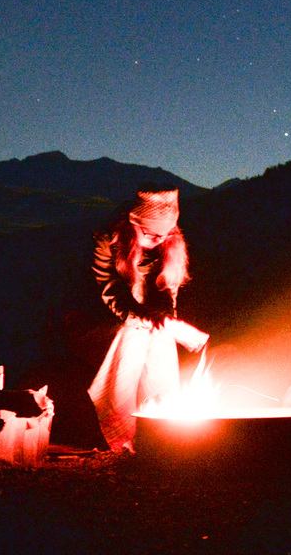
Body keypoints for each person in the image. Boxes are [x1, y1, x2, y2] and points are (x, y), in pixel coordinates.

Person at [87, 184, 208, 451]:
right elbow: (109, 290)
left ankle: (160, 426)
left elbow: (167, 290)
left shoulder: (168, 244)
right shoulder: (109, 241)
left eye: (164, 235)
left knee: (160, 342)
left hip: (148, 319)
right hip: (105, 321)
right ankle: (120, 432)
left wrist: (167, 321)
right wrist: (144, 320)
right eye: (150, 234)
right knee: (133, 340)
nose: (157, 240)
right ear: (133, 224)